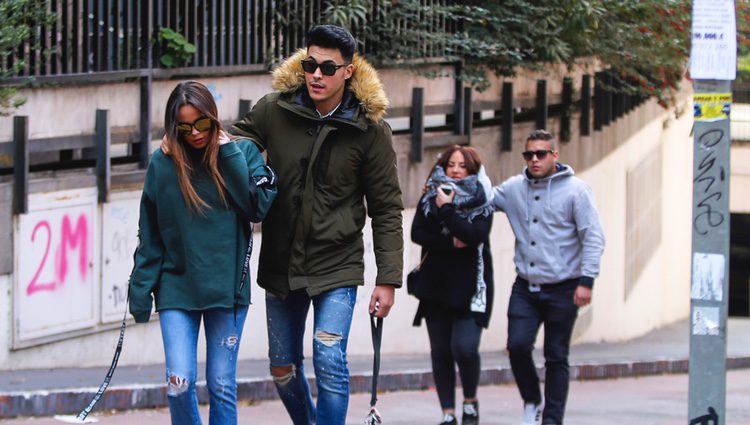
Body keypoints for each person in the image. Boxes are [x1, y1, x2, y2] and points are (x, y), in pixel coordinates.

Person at [230, 25, 403, 425]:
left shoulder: (370, 130)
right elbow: (233, 143)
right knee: (282, 369)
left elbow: (387, 207)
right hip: (281, 261)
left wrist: (388, 279)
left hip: (336, 263)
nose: (316, 75)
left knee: (328, 353)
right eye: (310, 64)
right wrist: (186, 142)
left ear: (348, 71)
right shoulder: (275, 109)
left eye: (328, 67)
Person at [128, 81, 277, 425]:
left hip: (227, 290)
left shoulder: (241, 154)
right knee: (178, 384)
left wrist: (226, 153)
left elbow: (255, 208)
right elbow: (149, 234)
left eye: (202, 123)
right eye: (184, 126)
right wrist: (140, 291)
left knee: (221, 384)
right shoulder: (163, 165)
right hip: (177, 289)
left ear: (214, 118)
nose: (194, 133)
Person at [491, 129, 605, 425]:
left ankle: (552, 419)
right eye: (529, 154)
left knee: (556, 356)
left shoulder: (577, 191)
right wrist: (450, 188)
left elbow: (593, 237)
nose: (534, 159)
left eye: (541, 153)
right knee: (517, 346)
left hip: (564, 287)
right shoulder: (515, 187)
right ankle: (532, 400)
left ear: (555, 155)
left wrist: (586, 281)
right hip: (525, 287)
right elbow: (485, 199)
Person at [411, 145, 494, 425]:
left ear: (473, 170)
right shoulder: (430, 194)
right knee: (441, 351)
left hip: (472, 287)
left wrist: (446, 210)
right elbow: (417, 233)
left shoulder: (483, 199)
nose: (456, 170)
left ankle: (470, 402)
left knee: (464, 347)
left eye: (463, 166)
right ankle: (448, 412)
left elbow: (474, 235)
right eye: (452, 165)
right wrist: (449, 242)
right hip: (436, 286)